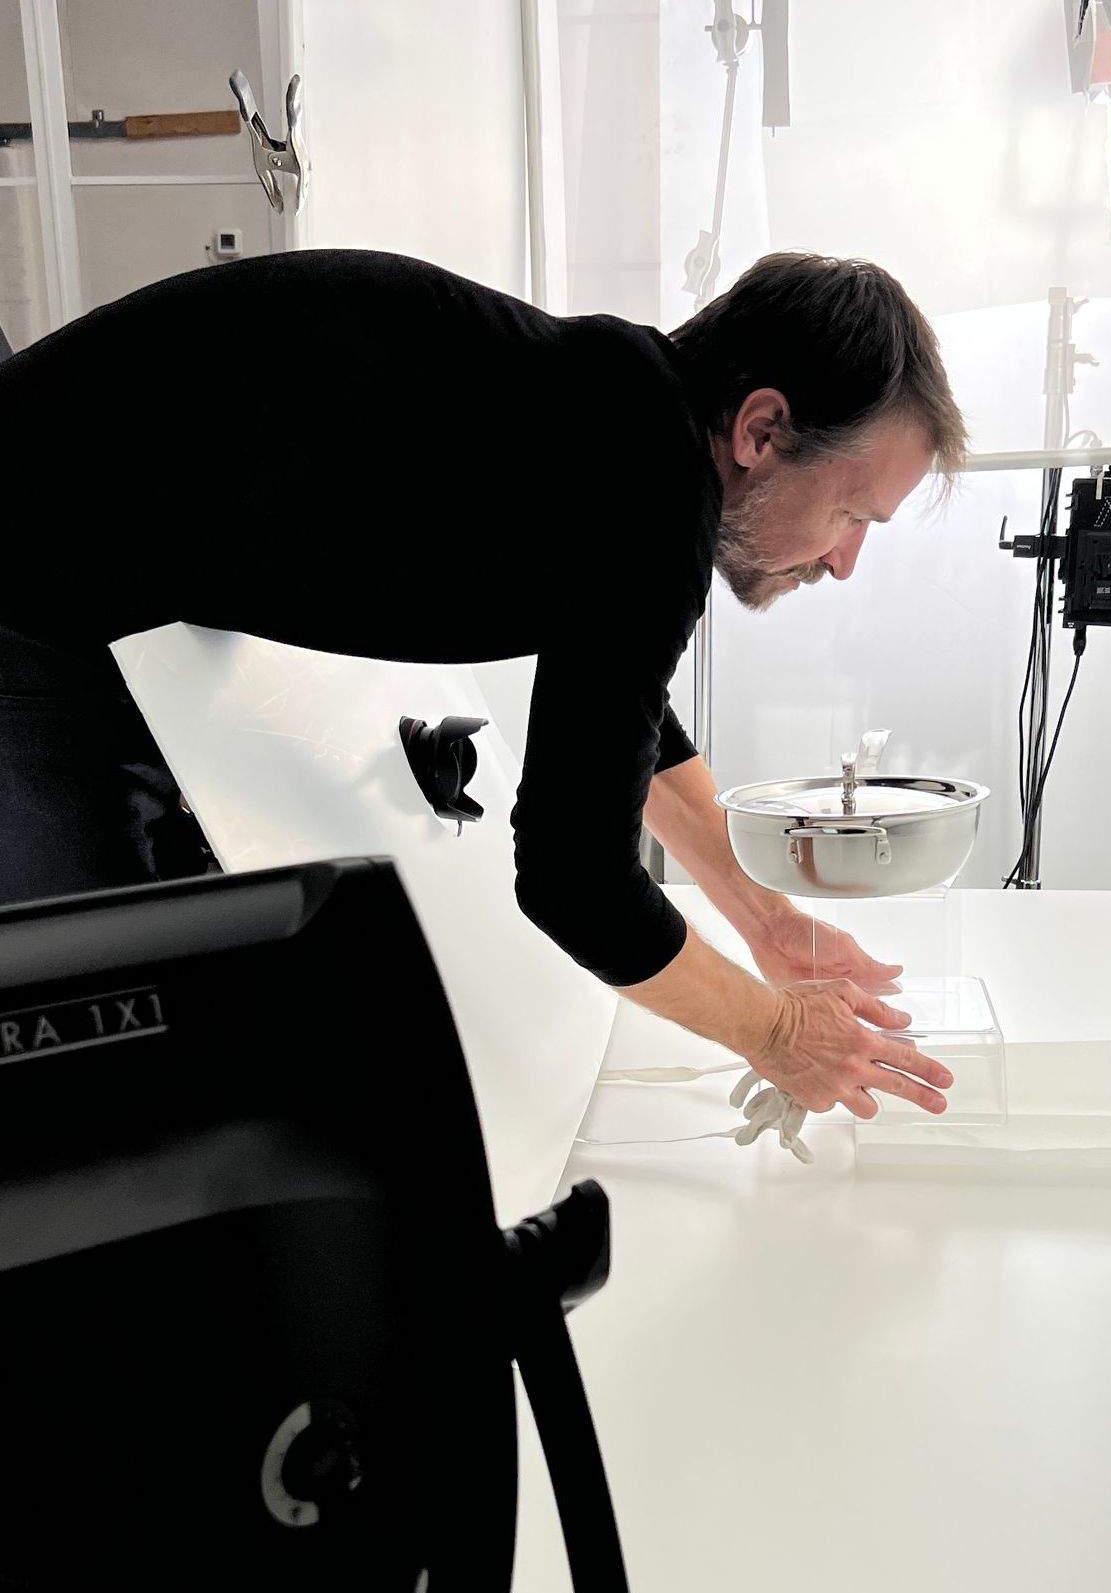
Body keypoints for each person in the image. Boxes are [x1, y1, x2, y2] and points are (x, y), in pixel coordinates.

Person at [0, 247, 965, 1120]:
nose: (844, 563)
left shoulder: (620, 412)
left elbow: (621, 711)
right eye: (852, 513)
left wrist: (762, 917)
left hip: (77, 575)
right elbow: (574, 885)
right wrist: (777, 1033)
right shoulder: (649, 482)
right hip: (24, 591)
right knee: (95, 1065)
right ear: (761, 428)